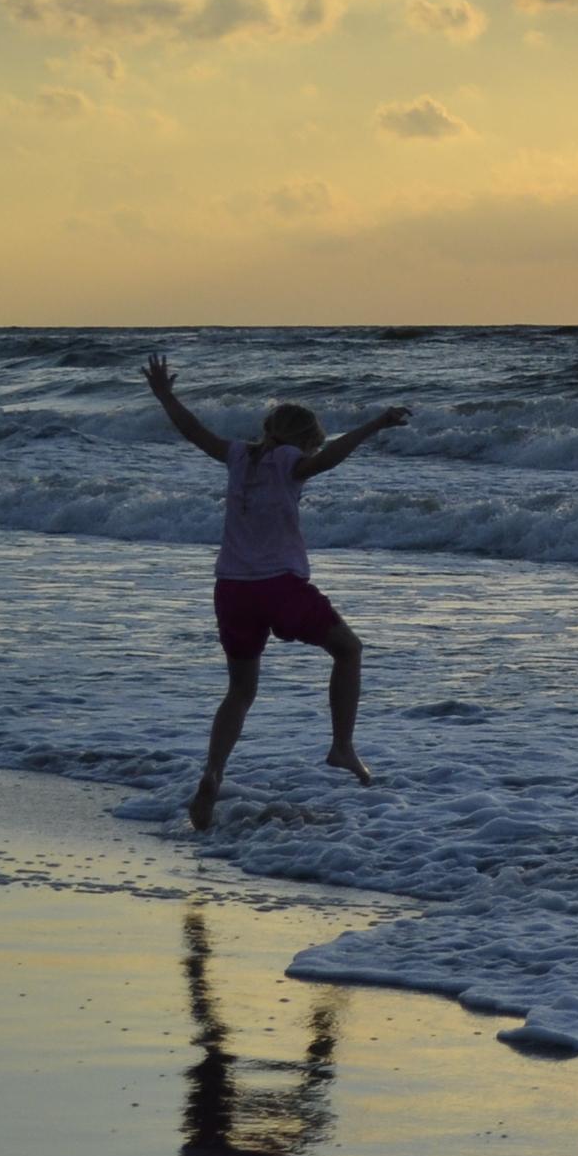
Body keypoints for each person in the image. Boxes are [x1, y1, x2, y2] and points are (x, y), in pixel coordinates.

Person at [143, 353, 411, 830]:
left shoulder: (236, 455)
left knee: (240, 691)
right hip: (279, 587)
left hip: (231, 590)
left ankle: (212, 774)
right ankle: (341, 746)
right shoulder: (289, 459)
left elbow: (194, 431)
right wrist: (376, 424)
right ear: (301, 439)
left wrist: (166, 395)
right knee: (349, 650)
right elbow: (327, 460)